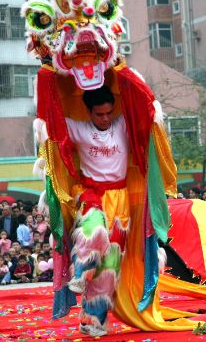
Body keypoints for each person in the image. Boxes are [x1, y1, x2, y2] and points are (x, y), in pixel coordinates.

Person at [64, 85, 131, 337]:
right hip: (93, 195)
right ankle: (79, 274)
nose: (105, 119)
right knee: (94, 230)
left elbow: (144, 102)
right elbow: (49, 118)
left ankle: (92, 320)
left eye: (108, 114)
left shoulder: (123, 125)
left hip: (120, 201)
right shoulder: (79, 129)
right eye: (99, 114)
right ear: (89, 112)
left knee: (109, 266)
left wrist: (121, 67)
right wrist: (47, 72)